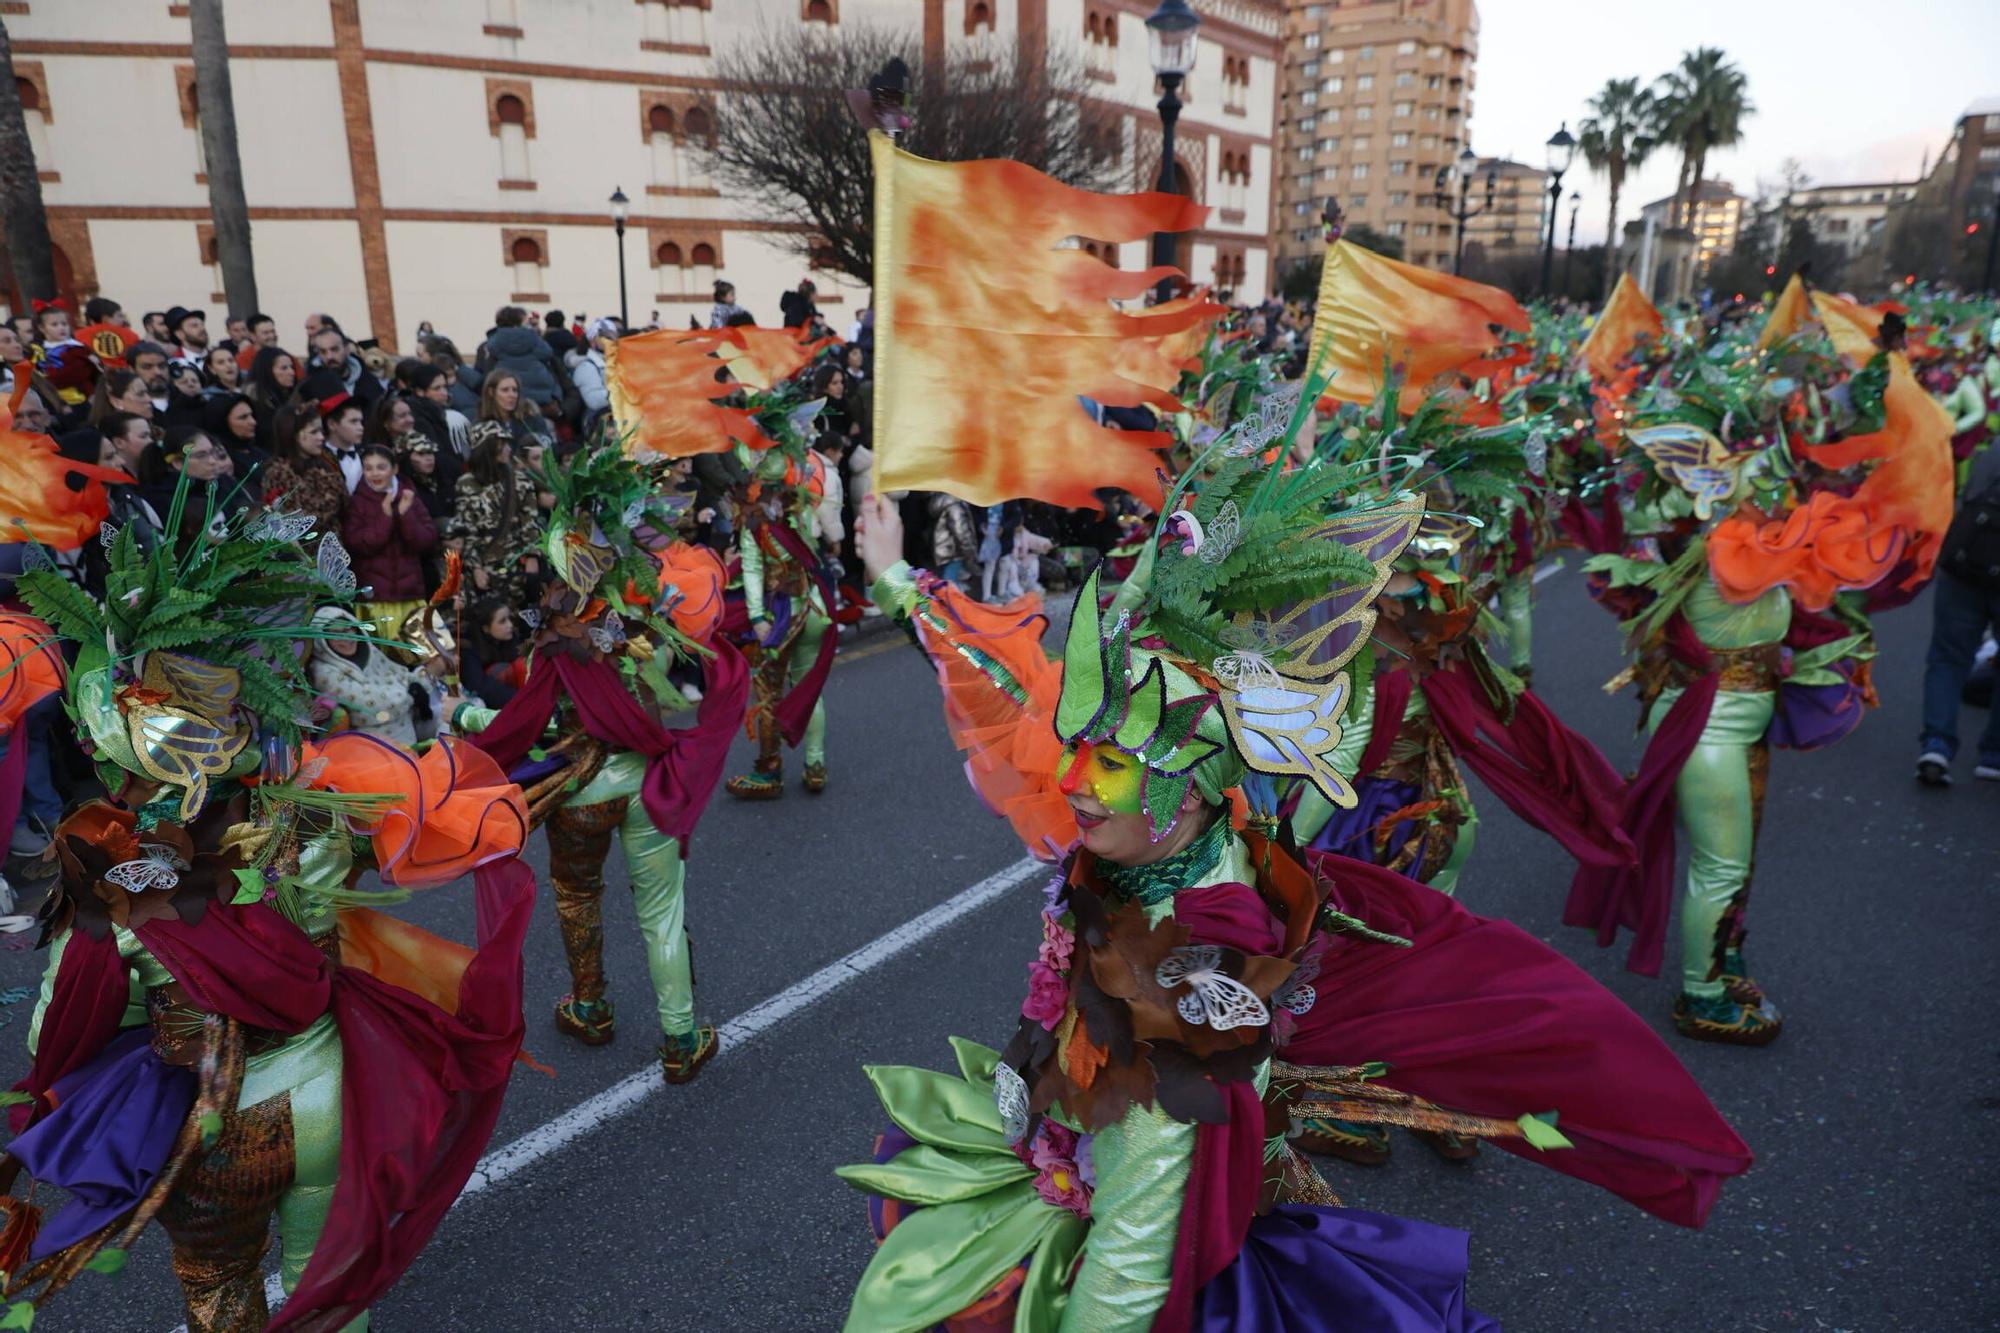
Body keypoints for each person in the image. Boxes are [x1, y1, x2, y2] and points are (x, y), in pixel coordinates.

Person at [837, 477, 1750, 1330]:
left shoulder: (1182, 979)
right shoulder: (1156, 824)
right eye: (1077, 747)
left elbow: (1134, 1250)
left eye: (1105, 764)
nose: (1067, 780)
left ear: (1191, 789)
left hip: (1137, 1214)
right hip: (1085, 1139)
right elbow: (1009, 692)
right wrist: (893, 578)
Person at [1, 487, 536, 1332]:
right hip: (328, 1089)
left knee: (222, 1296)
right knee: (332, 1282)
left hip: (211, 1128)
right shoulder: (314, 808)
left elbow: (58, 1030)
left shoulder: (114, 865)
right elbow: (410, 817)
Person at [447, 440, 746, 1082]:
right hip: (645, 786)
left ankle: (591, 1006)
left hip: (577, 796)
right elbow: (680, 671)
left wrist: (464, 718)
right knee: (661, 911)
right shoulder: (650, 633)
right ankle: (680, 1038)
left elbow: (522, 723)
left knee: (578, 896)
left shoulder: (552, 643)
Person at [1916, 440, 2000, 785]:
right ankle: (1994, 754)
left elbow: (1966, 494)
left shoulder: (1995, 447)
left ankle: (1937, 743)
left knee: (1949, 657)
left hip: (1968, 563)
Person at [343, 442, 438, 646]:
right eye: (368, 468)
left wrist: (405, 515)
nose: (374, 473)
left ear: (394, 469)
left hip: (410, 596)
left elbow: (426, 541)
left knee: (425, 657)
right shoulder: (358, 501)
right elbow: (358, 544)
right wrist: (385, 518)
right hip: (374, 600)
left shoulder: (408, 496)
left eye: (381, 467)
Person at [449, 420, 543, 601]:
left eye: (508, 443)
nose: (508, 449)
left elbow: (530, 523)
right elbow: (467, 530)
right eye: (501, 444)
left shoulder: (520, 482)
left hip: (516, 565)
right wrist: (475, 568)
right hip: (484, 567)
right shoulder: (466, 483)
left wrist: (532, 557)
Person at [262, 401, 348, 540]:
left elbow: (346, 505)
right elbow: (302, 520)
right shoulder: (278, 473)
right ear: (292, 434)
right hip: (303, 554)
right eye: (314, 432)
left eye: (321, 430)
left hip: (336, 548)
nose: (321, 437)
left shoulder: (326, 459)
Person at [481, 305, 560, 412]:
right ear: (518, 323)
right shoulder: (534, 339)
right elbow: (547, 353)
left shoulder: (493, 343)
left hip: (506, 401)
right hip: (541, 400)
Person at [458, 596, 526, 708]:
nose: (510, 625)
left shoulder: (511, 640)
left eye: (509, 619)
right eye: (502, 621)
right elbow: (480, 687)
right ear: (486, 628)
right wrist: (522, 699)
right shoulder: (468, 652)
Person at [200, 390, 270, 486]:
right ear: (222, 423)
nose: (253, 422)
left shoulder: (256, 450)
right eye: (243, 417)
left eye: (251, 415)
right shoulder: (221, 461)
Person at [478, 366, 552, 447]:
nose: (512, 395)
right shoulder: (482, 426)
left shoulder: (531, 418)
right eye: (505, 390)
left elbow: (550, 446)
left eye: (515, 390)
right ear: (491, 392)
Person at [245, 344, 301, 432]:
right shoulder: (252, 401)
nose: (292, 372)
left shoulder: (292, 394)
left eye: (292, 367)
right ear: (267, 371)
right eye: (284, 368)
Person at [321, 393, 368, 490]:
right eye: (353, 421)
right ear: (332, 424)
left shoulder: (367, 453)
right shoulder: (320, 458)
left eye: (361, 422)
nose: (360, 427)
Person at [85, 367, 153, 424]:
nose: (149, 399)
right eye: (140, 394)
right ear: (117, 402)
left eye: (148, 393)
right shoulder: (96, 438)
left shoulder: (158, 428)